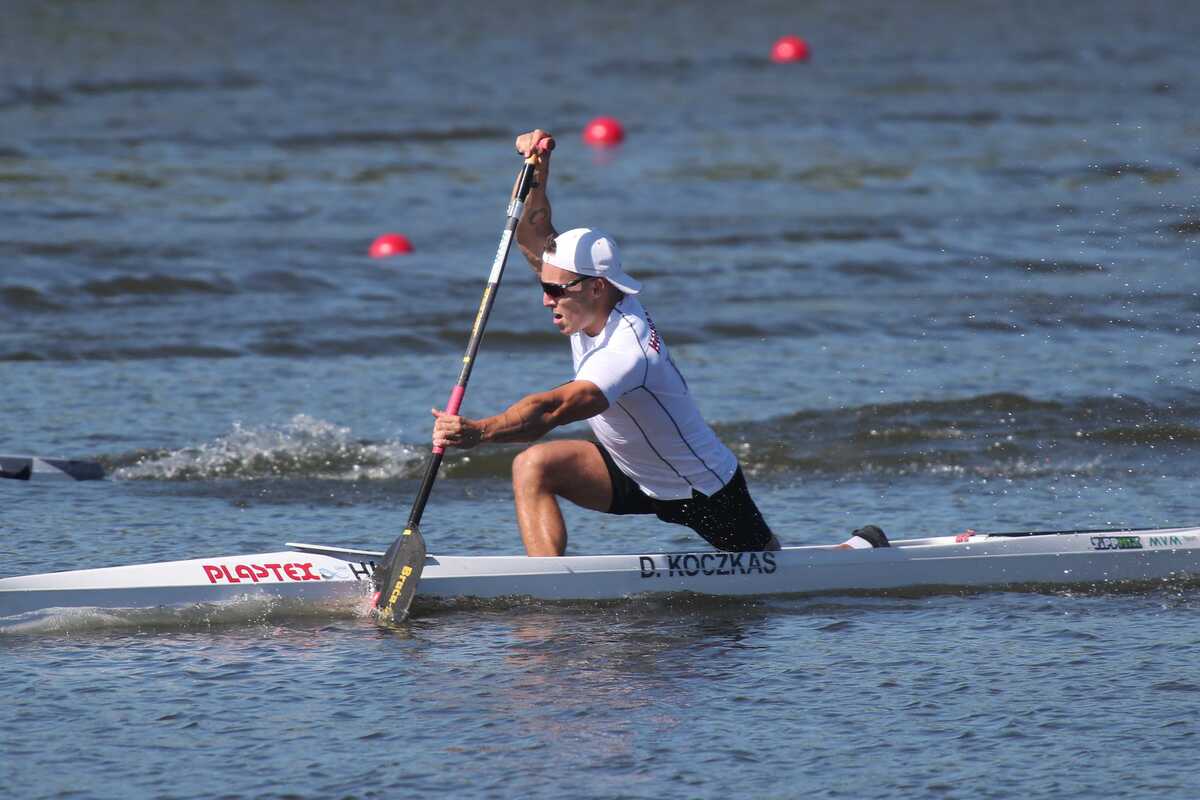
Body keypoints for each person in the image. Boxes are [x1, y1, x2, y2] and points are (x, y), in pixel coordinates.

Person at [430, 128, 889, 556]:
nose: (546, 299)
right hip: (631, 471)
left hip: (700, 489)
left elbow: (554, 409)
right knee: (533, 466)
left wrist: (481, 432)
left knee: (774, 567)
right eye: (543, 287)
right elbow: (530, 234)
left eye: (555, 291)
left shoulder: (626, 350)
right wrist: (538, 169)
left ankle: (857, 550)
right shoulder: (582, 293)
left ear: (597, 287)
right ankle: (546, 588)